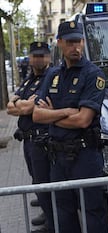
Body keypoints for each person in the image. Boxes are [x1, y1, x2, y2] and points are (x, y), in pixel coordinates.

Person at [32, 21, 108, 233]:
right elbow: (37, 114)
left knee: (93, 212)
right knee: (64, 213)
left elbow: (83, 120)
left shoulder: (94, 74)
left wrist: (52, 114)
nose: (76, 47)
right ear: (59, 43)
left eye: (79, 41)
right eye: (70, 42)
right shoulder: (53, 74)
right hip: (57, 158)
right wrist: (65, 112)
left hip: (85, 156)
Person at [7, 41, 56, 233]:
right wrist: (18, 104)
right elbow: (11, 105)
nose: (38, 59)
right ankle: (47, 213)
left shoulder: (49, 77)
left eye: (42, 55)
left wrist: (19, 105)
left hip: (41, 139)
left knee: (43, 180)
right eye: (35, 55)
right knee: (36, 179)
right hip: (28, 139)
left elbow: (27, 107)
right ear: (30, 57)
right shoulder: (29, 79)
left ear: (49, 57)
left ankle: (51, 226)